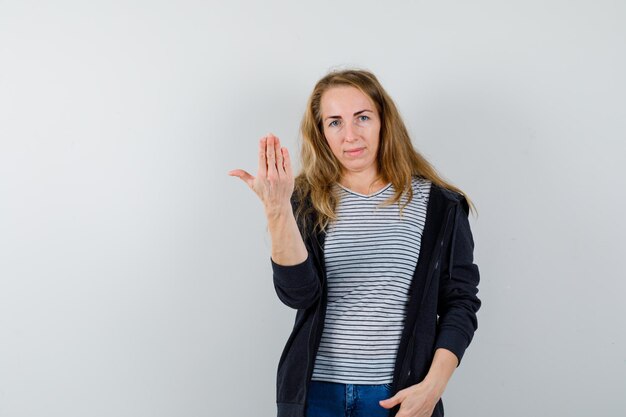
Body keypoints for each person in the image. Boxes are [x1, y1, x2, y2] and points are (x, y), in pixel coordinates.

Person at [229, 69, 481, 417]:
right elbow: (298, 295)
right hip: (315, 396)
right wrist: (277, 210)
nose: (350, 135)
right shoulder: (303, 199)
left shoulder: (440, 204)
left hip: (399, 397)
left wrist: (432, 388)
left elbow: (460, 303)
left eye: (362, 117)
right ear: (321, 133)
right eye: (334, 122)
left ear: (383, 121)